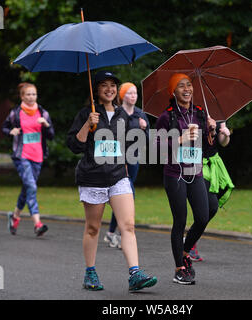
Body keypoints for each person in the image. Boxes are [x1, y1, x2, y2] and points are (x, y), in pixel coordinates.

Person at [67, 70, 157, 291]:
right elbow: (74, 146)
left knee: (128, 225)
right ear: (96, 89)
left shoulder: (121, 115)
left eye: (113, 85)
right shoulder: (87, 114)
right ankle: (90, 273)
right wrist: (88, 124)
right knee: (93, 228)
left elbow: (135, 145)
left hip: (118, 176)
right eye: (104, 85)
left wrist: (143, 131)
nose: (109, 89)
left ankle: (135, 274)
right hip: (93, 177)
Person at [155, 73, 216, 285]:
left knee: (203, 215)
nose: (187, 89)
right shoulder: (167, 116)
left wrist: (212, 132)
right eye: (181, 86)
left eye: (189, 85)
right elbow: (157, 149)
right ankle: (180, 268)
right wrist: (180, 139)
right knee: (180, 220)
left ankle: (184, 251)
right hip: (175, 174)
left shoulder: (200, 114)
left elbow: (207, 150)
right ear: (174, 91)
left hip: (195, 172)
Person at [2, 82, 54, 237]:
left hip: (38, 156)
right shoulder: (16, 113)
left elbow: (51, 135)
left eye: (34, 94)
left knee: (27, 188)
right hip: (21, 155)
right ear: (22, 96)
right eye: (28, 94)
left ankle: (15, 216)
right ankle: (37, 223)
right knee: (31, 186)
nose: (31, 97)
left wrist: (46, 125)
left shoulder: (43, 113)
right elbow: (4, 128)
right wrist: (11, 131)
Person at [103, 82, 149, 249]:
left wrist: (143, 130)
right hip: (118, 159)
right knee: (128, 195)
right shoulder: (116, 113)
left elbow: (148, 141)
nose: (133, 96)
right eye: (129, 93)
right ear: (122, 95)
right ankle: (124, 235)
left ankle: (110, 233)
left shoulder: (141, 115)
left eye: (135, 93)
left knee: (122, 196)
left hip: (134, 158)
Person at [187, 120, 234, 261]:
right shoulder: (192, 113)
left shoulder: (218, 115)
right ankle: (189, 243)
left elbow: (223, 143)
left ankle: (190, 239)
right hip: (196, 163)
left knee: (212, 208)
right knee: (207, 207)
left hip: (213, 164)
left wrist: (225, 135)